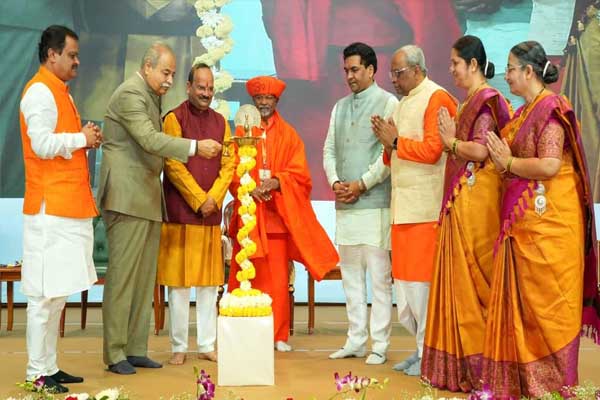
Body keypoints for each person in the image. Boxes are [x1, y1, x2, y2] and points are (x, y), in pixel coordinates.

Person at [483, 40, 600, 398]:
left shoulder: (550, 109)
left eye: (510, 68)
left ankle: (551, 385)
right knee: (525, 309)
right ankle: (523, 382)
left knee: (549, 309)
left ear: (529, 71)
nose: (506, 75)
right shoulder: (523, 112)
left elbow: (549, 166)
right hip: (525, 226)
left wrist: (508, 163)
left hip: (550, 227)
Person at [98, 42, 223, 375]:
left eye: (172, 74)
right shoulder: (131, 94)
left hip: (148, 198)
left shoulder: (150, 96)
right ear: (147, 66)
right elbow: (150, 140)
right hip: (126, 198)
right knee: (123, 279)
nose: (169, 80)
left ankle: (135, 348)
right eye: (165, 73)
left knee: (143, 281)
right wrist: (195, 147)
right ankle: (115, 353)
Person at [420, 35, 511, 392]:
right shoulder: (470, 101)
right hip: (464, 198)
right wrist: (453, 144)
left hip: (478, 201)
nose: (452, 69)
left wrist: (451, 142)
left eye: (456, 63)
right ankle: (461, 366)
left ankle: (483, 369)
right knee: (461, 285)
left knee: (475, 281)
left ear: (473, 64)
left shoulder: (485, 101)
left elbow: (482, 150)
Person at [18, 25, 103, 393]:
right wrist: (82, 138)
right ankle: (36, 373)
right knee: (43, 297)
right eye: (71, 55)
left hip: (66, 206)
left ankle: (49, 366)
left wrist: (82, 139)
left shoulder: (59, 91)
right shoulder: (39, 91)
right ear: (52, 54)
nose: (77, 61)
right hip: (48, 207)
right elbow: (40, 144)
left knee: (57, 295)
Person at [227, 76, 339, 352]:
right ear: (253, 100)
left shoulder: (289, 134)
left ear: (277, 101)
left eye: (269, 98)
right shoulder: (240, 133)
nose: (264, 103)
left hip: (276, 217)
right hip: (250, 217)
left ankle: (278, 335)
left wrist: (277, 182)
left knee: (277, 282)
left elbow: (300, 175)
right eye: (259, 98)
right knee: (247, 276)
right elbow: (230, 170)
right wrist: (249, 188)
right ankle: (243, 332)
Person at [371, 45, 457, 376]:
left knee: (421, 289)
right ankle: (421, 349)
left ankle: (430, 354)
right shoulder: (404, 103)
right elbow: (391, 159)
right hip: (402, 209)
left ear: (417, 70)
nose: (393, 79)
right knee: (405, 290)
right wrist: (386, 142)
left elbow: (434, 151)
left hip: (425, 209)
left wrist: (395, 142)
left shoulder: (437, 97)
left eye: (398, 73)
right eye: (391, 73)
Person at [156, 63, 235, 365]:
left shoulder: (221, 122)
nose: (206, 93)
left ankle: (206, 344)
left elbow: (229, 164)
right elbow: (172, 163)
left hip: (210, 215)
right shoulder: (174, 118)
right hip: (180, 213)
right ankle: (179, 346)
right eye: (200, 87)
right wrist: (199, 199)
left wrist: (213, 198)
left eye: (210, 88)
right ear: (188, 87)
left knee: (208, 284)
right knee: (178, 285)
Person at [323, 42, 396, 365]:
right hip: (346, 206)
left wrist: (361, 183)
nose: (349, 76)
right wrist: (335, 183)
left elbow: (388, 155)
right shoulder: (339, 107)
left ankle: (379, 344)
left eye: (355, 70)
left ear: (370, 69)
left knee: (379, 279)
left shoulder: (388, 103)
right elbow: (329, 150)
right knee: (350, 277)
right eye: (346, 71)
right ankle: (355, 339)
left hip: (375, 204)